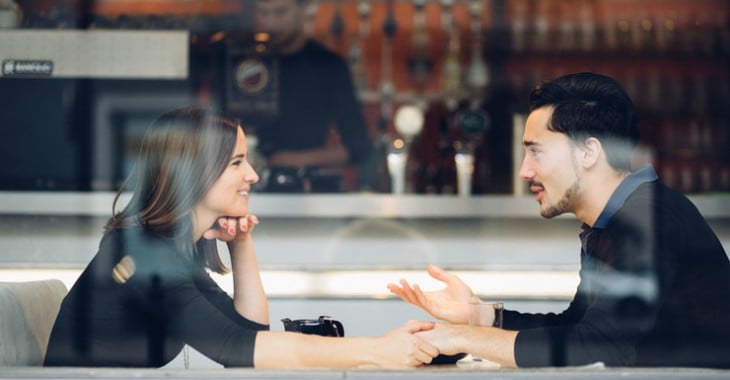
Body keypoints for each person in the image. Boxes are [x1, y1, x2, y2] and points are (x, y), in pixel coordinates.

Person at [44, 106, 438, 368]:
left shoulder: (169, 250)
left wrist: (240, 243)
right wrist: (377, 350)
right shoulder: (144, 255)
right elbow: (237, 350)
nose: (252, 175)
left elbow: (248, 334)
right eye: (236, 163)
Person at [388, 72, 730, 368]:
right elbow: (578, 325)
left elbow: (597, 348)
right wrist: (480, 316)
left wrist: (464, 338)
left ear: (588, 152)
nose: (525, 171)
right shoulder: (618, 218)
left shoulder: (647, 219)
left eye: (536, 151)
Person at [248, 0, 372, 191]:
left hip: (305, 189)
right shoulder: (241, 64)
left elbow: (358, 147)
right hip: (244, 186)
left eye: (280, 12)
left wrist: (295, 160)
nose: (271, 23)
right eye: (263, 13)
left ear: (303, 9)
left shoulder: (327, 65)